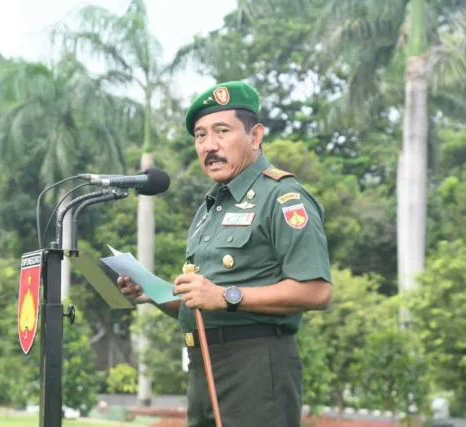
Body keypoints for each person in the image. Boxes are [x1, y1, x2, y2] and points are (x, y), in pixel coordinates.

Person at [118, 81, 332, 427]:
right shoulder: (209, 209)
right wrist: (152, 293)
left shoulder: (282, 197)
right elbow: (203, 303)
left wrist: (226, 295)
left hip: (256, 367)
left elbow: (317, 291)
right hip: (203, 364)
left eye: (222, 131)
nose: (209, 146)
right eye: (201, 136)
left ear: (255, 136)